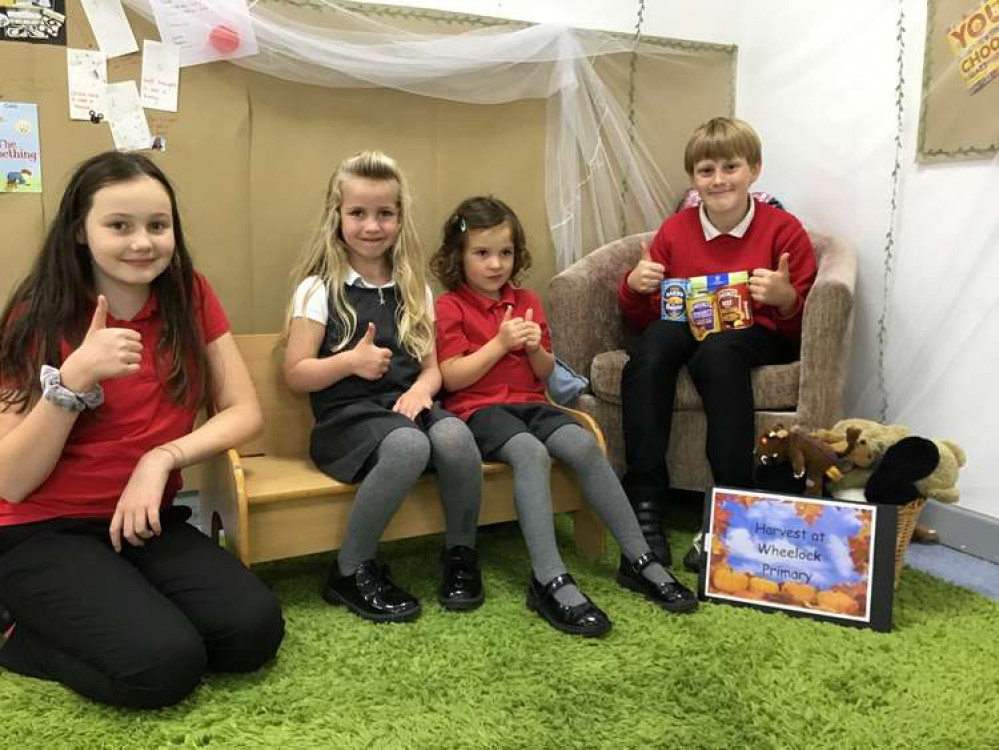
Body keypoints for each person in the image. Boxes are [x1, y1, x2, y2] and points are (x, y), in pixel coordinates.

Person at [0, 151, 284, 709]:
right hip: (42, 530)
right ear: (80, 231)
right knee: (163, 668)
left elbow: (244, 412)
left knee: (252, 634)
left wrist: (160, 459)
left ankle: (117, 605)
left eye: (158, 225)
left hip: (144, 519)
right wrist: (73, 381)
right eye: (119, 226)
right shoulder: (39, 313)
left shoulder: (190, 294)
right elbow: (11, 481)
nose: (142, 242)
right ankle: (15, 633)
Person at [431, 196, 697, 639]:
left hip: (532, 403)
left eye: (505, 253)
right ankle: (548, 577)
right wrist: (498, 344)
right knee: (530, 454)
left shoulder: (527, 299)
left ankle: (638, 559)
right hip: (479, 410)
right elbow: (452, 378)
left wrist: (536, 349)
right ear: (459, 256)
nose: (496, 264)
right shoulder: (450, 307)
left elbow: (545, 373)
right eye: (482, 253)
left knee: (581, 444)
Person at [284, 150, 483, 624]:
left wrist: (422, 391)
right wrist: (350, 361)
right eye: (358, 213)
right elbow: (295, 374)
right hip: (346, 421)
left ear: (399, 218)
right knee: (409, 446)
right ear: (338, 217)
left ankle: (460, 554)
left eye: (384, 214)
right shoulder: (318, 289)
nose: (371, 226)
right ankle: (349, 570)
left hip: (403, 408)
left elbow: (433, 368)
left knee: (456, 436)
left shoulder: (415, 288)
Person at [618, 117, 817, 565]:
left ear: (754, 169)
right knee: (651, 349)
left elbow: (802, 330)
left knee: (719, 353)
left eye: (731, 167)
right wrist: (634, 286)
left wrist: (786, 299)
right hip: (685, 326)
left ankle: (730, 509)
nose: (719, 179)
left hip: (755, 336)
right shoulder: (674, 230)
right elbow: (642, 317)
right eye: (706, 170)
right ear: (693, 179)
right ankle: (645, 501)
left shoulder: (783, 229)